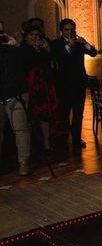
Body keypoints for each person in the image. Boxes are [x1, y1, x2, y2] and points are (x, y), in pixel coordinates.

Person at [50, 18, 98, 152]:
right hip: (64, 85)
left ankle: (77, 139)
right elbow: (58, 59)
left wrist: (85, 43)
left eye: (72, 29)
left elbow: (93, 53)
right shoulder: (56, 44)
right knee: (64, 114)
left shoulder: (79, 43)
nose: (70, 32)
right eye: (67, 29)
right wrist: (68, 47)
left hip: (79, 84)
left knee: (78, 113)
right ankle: (63, 139)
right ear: (61, 30)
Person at [20, 23, 59, 152]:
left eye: (37, 35)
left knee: (45, 114)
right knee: (30, 116)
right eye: (31, 34)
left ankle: (46, 143)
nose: (34, 37)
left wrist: (46, 50)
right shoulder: (23, 48)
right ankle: (31, 145)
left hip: (44, 85)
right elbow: (28, 64)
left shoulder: (42, 48)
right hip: (29, 86)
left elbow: (49, 63)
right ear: (25, 36)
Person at [0, 30, 31, 175]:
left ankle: (23, 162)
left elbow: (26, 65)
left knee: (20, 129)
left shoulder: (14, 51)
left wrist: (15, 47)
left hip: (15, 94)